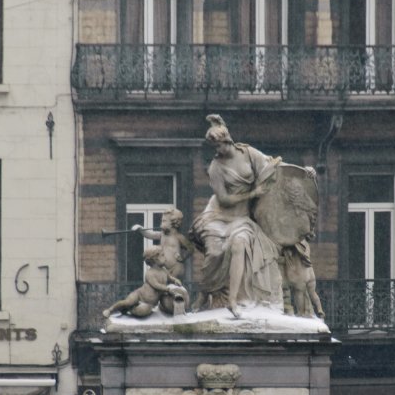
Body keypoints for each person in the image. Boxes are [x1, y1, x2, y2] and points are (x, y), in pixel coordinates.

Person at [188, 114, 283, 318]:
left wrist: (306, 172)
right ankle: (204, 293)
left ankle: (232, 300)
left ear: (227, 140)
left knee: (239, 244)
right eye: (214, 147)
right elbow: (223, 199)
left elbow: (271, 167)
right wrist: (252, 194)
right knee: (215, 253)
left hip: (241, 219)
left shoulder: (248, 153)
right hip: (218, 216)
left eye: (218, 146)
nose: (217, 150)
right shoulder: (216, 167)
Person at [102, 245, 188, 318]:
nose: (165, 258)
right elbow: (156, 285)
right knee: (127, 302)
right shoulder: (150, 273)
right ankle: (110, 310)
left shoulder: (164, 270)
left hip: (150, 303)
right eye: (162, 255)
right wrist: (167, 289)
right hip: (139, 295)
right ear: (155, 259)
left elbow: (169, 277)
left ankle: (130, 309)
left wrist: (175, 280)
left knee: (143, 312)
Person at [132, 208, 194, 280]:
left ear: (173, 223)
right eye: (162, 221)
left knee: (173, 283)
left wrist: (183, 257)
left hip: (176, 267)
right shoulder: (162, 235)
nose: (161, 224)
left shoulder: (178, 237)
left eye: (164, 221)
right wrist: (141, 229)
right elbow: (150, 235)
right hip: (164, 268)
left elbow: (191, 248)